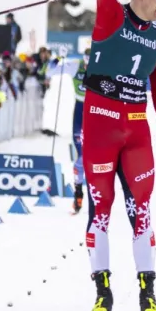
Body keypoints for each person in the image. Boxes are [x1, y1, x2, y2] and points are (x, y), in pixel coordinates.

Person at [82, 0, 156, 311]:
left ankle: (147, 292)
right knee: (101, 211)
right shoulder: (112, 16)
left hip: (136, 130)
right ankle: (102, 291)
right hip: (100, 125)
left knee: (142, 211)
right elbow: (105, 0)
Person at [70, 47, 90, 213]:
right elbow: (51, 70)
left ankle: (95, 193)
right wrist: (57, 60)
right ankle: (78, 191)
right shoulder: (76, 66)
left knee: (95, 155)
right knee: (81, 155)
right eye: (86, 57)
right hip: (79, 109)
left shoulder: (101, 65)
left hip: (95, 111)